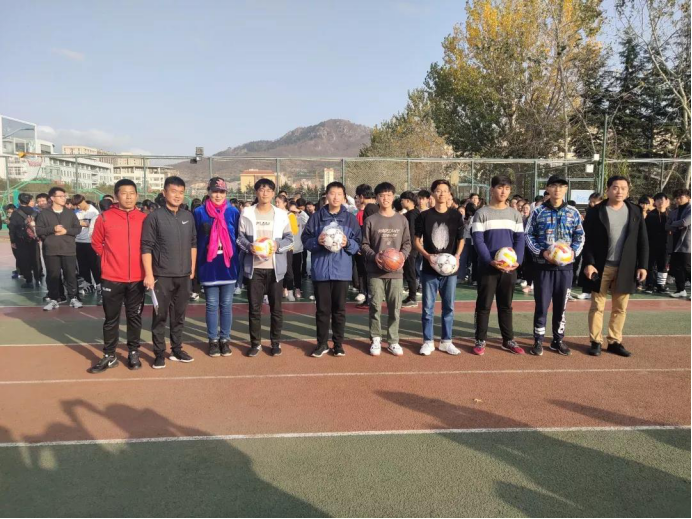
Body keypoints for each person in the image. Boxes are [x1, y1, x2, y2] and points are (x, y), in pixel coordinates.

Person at [583, 176, 649, 357]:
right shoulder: (596, 211)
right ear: (608, 189)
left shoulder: (635, 211)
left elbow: (642, 240)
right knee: (597, 306)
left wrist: (643, 265)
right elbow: (587, 240)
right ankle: (595, 341)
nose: (619, 191)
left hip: (626, 267)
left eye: (623, 188)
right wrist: (589, 263)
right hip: (601, 267)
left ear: (628, 190)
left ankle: (614, 341)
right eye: (615, 187)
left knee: (620, 307)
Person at [89, 180, 148, 373]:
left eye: (132, 193)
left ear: (137, 195)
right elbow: (96, 243)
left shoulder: (144, 219)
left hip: (137, 279)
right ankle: (109, 355)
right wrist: (109, 260)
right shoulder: (104, 218)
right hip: (112, 278)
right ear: (116, 196)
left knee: (134, 317)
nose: (128, 197)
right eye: (124, 193)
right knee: (111, 319)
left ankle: (133, 352)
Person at [525, 175, 585, 357]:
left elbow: (580, 236)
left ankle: (558, 340)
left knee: (561, 307)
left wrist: (573, 253)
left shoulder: (573, 212)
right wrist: (542, 252)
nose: (557, 189)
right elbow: (528, 235)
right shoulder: (538, 211)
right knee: (542, 305)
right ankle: (538, 339)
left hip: (565, 269)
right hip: (543, 267)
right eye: (554, 186)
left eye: (561, 186)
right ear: (548, 189)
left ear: (566, 189)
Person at [142, 176, 198, 369]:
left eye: (181, 192)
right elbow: (146, 247)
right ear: (164, 193)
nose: (177, 195)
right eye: (173, 191)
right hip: (162, 276)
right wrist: (149, 274)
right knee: (160, 316)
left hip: (184, 276)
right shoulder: (154, 217)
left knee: (179, 316)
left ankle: (176, 349)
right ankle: (159, 353)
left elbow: (193, 243)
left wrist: (192, 268)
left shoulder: (188, 216)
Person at [302, 182, 362, 358]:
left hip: (341, 271)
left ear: (344, 197)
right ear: (326, 195)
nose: (335, 197)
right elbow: (305, 240)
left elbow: (358, 243)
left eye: (339, 194)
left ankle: (338, 344)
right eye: (332, 193)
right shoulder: (316, 217)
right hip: (321, 271)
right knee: (322, 310)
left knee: (339, 310)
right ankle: (321, 344)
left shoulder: (350, 218)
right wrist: (317, 242)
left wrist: (347, 243)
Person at [237, 179, 293, 358]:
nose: (265, 193)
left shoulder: (281, 214)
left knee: (276, 309)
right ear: (256, 192)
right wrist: (249, 247)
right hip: (254, 269)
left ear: (273, 193)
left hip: (275, 270)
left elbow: (290, 239)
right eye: (262, 189)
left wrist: (277, 245)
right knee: (254, 309)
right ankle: (256, 344)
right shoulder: (247, 213)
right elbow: (240, 238)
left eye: (269, 190)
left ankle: (275, 343)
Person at [472, 175, 526, 356]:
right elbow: (478, 240)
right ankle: (480, 339)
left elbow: (520, 239)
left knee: (506, 305)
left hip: (509, 268)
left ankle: (508, 340)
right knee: (484, 305)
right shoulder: (481, 213)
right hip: (487, 267)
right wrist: (490, 260)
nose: (504, 191)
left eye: (507, 188)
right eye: (500, 187)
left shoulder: (515, 214)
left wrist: (517, 261)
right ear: (492, 189)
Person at [415, 180, 465, 356]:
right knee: (428, 308)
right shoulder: (424, 216)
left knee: (448, 307)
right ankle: (428, 341)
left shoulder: (456, 216)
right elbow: (416, 241)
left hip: (450, 270)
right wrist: (427, 256)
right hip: (430, 269)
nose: (442, 194)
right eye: (438, 190)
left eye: (445, 191)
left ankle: (446, 341)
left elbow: (461, 239)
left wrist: (457, 256)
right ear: (433, 194)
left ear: (449, 194)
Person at [362, 183, 412, 356]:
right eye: (382, 195)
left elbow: (407, 243)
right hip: (375, 271)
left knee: (394, 308)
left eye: (389, 195)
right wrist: (374, 256)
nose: (386, 198)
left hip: (396, 272)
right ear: (377, 198)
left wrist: (402, 256)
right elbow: (364, 244)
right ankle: (376, 338)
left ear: (393, 197)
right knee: (375, 306)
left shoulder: (402, 220)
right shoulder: (370, 220)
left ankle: (393, 341)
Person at [194, 177, 241, 358]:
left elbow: (238, 237)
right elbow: (194, 240)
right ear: (208, 192)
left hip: (228, 265)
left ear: (226, 193)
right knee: (212, 305)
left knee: (227, 305)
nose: (218, 195)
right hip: (209, 266)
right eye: (215, 191)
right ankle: (213, 340)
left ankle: (225, 339)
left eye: (222, 192)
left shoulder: (233, 212)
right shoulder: (199, 212)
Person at [35, 187, 83, 311]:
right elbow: (39, 230)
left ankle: (74, 297)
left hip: (68, 249)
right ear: (52, 198)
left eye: (64, 196)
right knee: (53, 275)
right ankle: (54, 299)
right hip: (51, 250)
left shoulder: (70, 213)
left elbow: (78, 229)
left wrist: (66, 231)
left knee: (70, 275)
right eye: (60, 196)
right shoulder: (44, 214)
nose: (63, 198)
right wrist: (53, 229)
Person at [73, 194, 102, 300]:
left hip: (90, 242)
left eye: (79, 204)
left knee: (94, 266)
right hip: (78, 242)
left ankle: (99, 285)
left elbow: (97, 227)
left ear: (84, 201)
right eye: (76, 205)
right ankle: (88, 285)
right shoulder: (77, 213)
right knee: (83, 266)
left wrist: (86, 224)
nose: (78, 207)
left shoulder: (94, 212)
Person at [8, 195, 41, 288]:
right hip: (33, 239)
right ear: (29, 201)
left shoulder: (15, 213)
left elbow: (12, 228)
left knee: (24, 260)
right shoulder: (35, 212)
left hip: (20, 239)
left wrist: (12, 241)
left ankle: (29, 280)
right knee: (35, 259)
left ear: (19, 201)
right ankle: (38, 279)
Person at [355, 185, 379, 308]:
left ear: (361, 196)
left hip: (371, 248)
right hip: (376, 246)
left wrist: (363, 246)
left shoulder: (369, 209)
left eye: (358, 197)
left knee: (368, 273)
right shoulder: (376, 207)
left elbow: (369, 229)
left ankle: (370, 300)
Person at [667, 189, 691, 299]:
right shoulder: (674, 211)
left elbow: (685, 222)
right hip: (675, 243)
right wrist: (677, 225)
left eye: (681, 197)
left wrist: (674, 224)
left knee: (687, 267)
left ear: (688, 198)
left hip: (687, 243)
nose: (678, 200)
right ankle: (681, 290)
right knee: (676, 267)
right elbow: (667, 226)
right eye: (676, 198)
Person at [645, 193, 671, 294]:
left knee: (663, 265)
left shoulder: (670, 215)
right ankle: (649, 285)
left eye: (662, 200)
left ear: (667, 201)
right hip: (652, 244)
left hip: (666, 244)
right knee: (650, 265)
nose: (660, 202)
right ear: (654, 202)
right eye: (658, 200)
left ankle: (661, 285)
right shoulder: (650, 215)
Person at [400, 191, 420, 307]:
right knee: (410, 271)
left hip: (411, 248)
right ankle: (411, 296)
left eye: (402, 200)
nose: (401, 202)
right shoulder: (415, 213)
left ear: (408, 201)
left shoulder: (411, 214)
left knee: (410, 271)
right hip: (413, 247)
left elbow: (411, 232)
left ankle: (412, 297)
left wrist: (408, 247)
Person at [289, 199, 309, 299]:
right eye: (291, 211)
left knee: (297, 271)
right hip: (287, 249)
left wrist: (299, 211)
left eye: (294, 211)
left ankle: (297, 288)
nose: (293, 213)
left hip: (297, 250)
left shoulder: (300, 219)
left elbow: (307, 219)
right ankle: (286, 288)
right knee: (287, 271)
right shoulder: (286, 218)